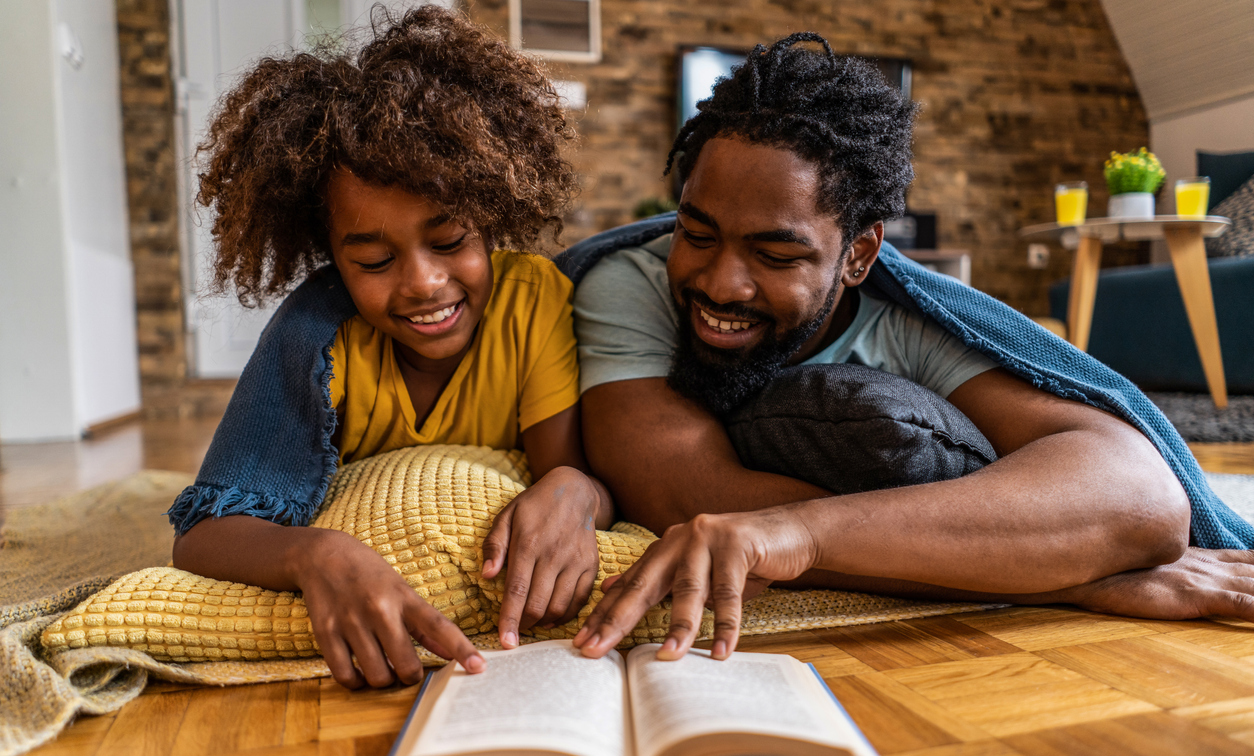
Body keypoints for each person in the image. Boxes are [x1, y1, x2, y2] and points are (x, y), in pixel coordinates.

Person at [567, 33, 1254, 662]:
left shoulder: (907, 325)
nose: (719, 283)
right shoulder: (631, 281)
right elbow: (678, 490)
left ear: (860, 254)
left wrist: (799, 537)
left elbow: (1142, 500)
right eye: (698, 233)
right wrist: (1058, 578)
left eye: (776, 254)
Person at [169, 7, 614, 688]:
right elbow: (203, 533)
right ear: (331, 261)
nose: (423, 284)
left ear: (490, 216)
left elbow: (569, 478)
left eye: (449, 242)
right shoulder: (313, 336)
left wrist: (575, 492)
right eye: (374, 260)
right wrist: (313, 554)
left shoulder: (534, 300)